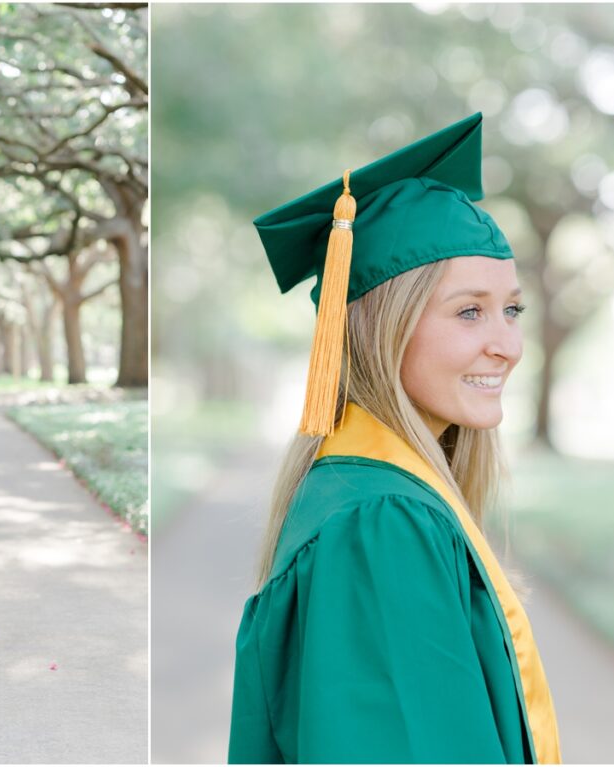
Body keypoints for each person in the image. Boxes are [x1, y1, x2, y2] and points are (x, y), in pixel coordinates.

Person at [228, 113, 562, 763]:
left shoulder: (369, 489)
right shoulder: (382, 523)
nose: (508, 345)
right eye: (469, 310)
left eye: (512, 309)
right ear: (386, 325)